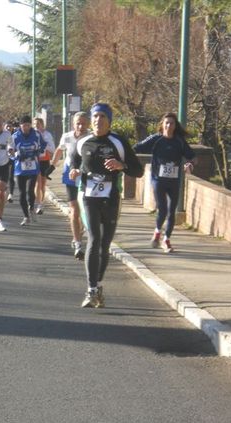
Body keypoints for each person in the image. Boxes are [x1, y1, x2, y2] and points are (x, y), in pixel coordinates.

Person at [70, 103, 144, 308]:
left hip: (111, 198)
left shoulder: (118, 142)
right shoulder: (83, 141)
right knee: (94, 239)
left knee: (105, 245)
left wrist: (122, 166)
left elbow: (138, 171)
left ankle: (98, 284)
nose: (97, 120)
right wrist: (74, 171)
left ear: (109, 120)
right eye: (95, 116)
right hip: (88, 197)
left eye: (102, 116)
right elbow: (74, 161)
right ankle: (91, 289)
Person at [133, 112, 196, 253]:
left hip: (174, 181)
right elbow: (137, 148)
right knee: (162, 209)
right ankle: (157, 232)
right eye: (166, 123)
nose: (168, 125)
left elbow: (191, 156)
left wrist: (190, 164)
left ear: (175, 126)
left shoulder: (179, 141)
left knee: (171, 211)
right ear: (162, 124)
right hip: (158, 180)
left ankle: (166, 240)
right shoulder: (156, 139)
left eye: (171, 123)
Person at [49, 111, 90, 259]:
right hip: (70, 175)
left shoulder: (91, 137)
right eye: (78, 123)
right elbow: (60, 150)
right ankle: (78, 243)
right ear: (73, 124)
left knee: (83, 211)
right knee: (74, 210)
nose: (80, 126)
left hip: (86, 177)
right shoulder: (67, 136)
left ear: (88, 124)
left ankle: (78, 232)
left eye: (83, 123)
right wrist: (52, 166)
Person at [12, 115, 46, 225]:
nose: (26, 127)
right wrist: (16, 155)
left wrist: (37, 152)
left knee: (30, 190)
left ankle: (31, 208)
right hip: (20, 168)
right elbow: (10, 152)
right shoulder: (15, 136)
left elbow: (43, 146)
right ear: (20, 125)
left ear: (30, 125)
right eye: (23, 125)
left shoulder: (36, 134)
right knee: (22, 193)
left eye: (27, 125)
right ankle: (26, 216)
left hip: (33, 166)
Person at [33, 117, 55, 215]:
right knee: (38, 183)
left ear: (42, 124)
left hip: (45, 161)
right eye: (34, 124)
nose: (36, 126)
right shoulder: (32, 134)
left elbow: (52, 148)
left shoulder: (47, 134)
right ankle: (38, 203)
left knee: (42, 183)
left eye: (38, 124)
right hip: (35, 161)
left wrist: (44, 146)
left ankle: (41, 202)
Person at [5, 120, 18, 203]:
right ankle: (3, 192)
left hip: (12, 158)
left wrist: (15, 153)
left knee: (11, 177)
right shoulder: (2, 135)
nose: (9, 128)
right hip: (4, 158)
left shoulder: (15, 136)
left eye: (10, 126)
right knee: (4, 177)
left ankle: (11, 194)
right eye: (7, 126)